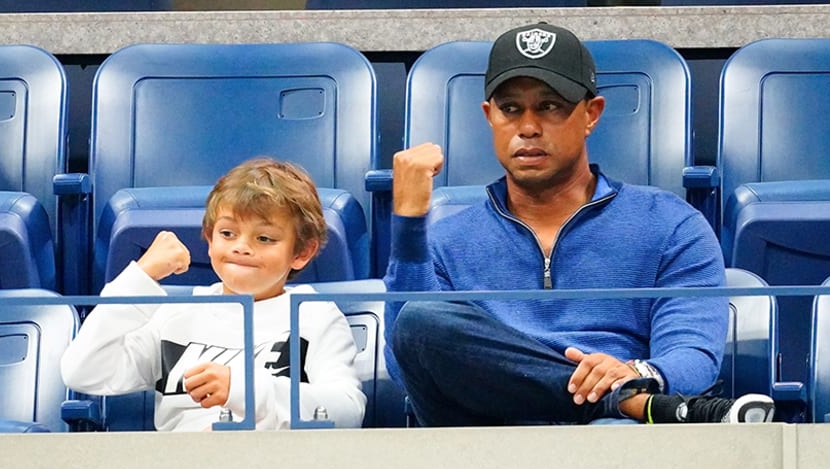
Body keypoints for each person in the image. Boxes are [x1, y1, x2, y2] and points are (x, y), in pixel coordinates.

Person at [384, 22, 775, 426]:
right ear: (489, 117)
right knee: (420, 319)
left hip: (613, 439)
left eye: (550, 106)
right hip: (487, 434)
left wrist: (639, 373)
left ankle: (618, 403)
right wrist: (409, 226)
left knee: (615, 431)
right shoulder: (445, 240)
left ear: (591, 114)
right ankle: (620, 400)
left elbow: (692, 355)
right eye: (510, 108)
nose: (528, 126)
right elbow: (407, 362)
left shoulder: (671, 225)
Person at [61, 158, 366, 431]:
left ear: (302, 252)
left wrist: (243, 389)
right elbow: (83, 371)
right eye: (227, 233)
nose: (241, 246)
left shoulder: (314, 314)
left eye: (264, 238)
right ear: (209, 239)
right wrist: (140, 277)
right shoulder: (175, 313)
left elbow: (347, 410)